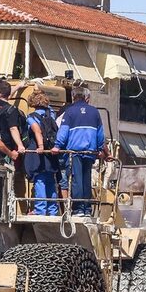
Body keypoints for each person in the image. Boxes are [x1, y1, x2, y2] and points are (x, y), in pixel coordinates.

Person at [55, 86, 105, 215]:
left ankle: (77, 209)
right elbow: (100, 133)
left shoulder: (70, 112)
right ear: (86, 98)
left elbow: (63, 131)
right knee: (86, 180)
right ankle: (87, 209)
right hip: (90, 152)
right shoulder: (95, 112)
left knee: (76, 180)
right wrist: (100, 149)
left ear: (73, 97)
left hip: (74, 152)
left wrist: (57, 146)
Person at [24, 92, 60, 215]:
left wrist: (40, 146)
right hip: (51, 152)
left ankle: (40, 210)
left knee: (39, 180)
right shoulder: (51, 114)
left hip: (38, 152)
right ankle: (52, 210)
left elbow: (37, 131)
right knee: (50, 180)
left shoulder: (31, 117)